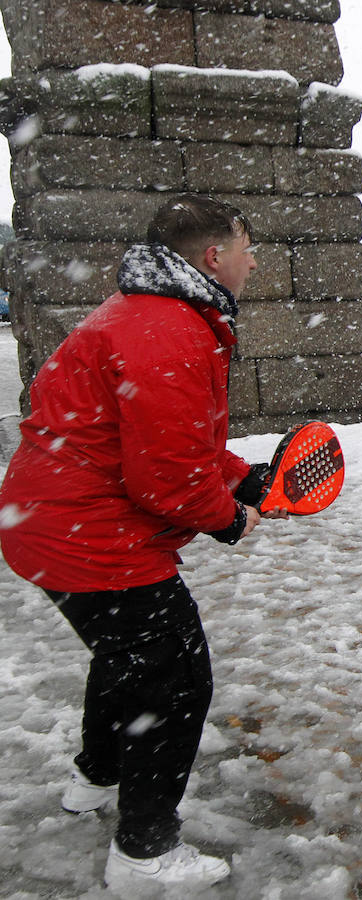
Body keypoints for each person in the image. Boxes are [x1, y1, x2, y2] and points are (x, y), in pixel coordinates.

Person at [0, 194, 287, 892]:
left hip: (52, 522)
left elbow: (174, 441)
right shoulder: (171, 330)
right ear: (214, 256)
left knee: (129, 659)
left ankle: (93, 782)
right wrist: (226, 517)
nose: (254, 260)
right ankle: (145, 854)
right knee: (176, 678)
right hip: (90, 536)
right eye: (247, 246)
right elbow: (164, 475)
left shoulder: (149, 313)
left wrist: (244, 479)